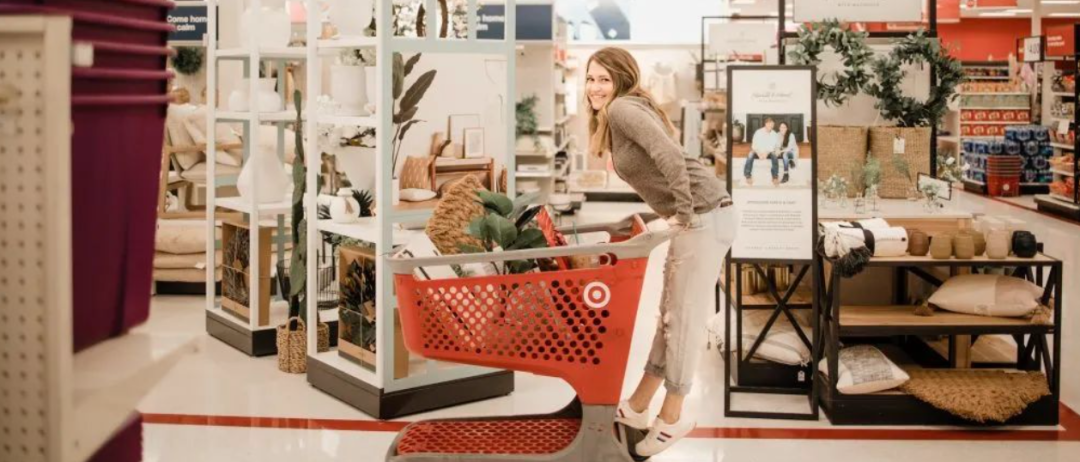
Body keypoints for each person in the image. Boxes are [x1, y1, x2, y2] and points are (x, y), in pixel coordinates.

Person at [585, 46, 737, 457]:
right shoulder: (621, 112)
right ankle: (638, 406)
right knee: (670, 317)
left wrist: (682, 213)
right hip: (703, 214)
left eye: (604, 79)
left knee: (682, 320)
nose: (595, 87)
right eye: (591, 78)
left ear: (622, 80)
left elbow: (670, 156)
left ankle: (672, 417)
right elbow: (658, 169)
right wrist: (659, 213)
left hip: (704, 216)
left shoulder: (622, 110)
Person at [743, 118, 781, 186]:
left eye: (772, 125)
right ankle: (748, 175)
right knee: (750, 154)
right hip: (758, 151)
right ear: (765, 124)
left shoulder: (774, 134)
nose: (771, 126)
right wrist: (759, 154)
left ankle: (775, 177)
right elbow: (754, 145)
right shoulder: (758, 132)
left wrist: (766, 153)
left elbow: (773, 146)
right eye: (769, 124)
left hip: (769, 152)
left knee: (774, 155)